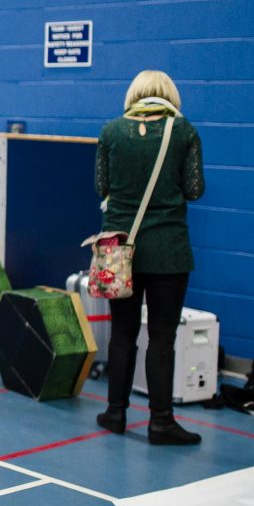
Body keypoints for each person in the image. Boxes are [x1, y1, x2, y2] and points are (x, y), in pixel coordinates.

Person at [94, 70, 205, 445]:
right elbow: (194, 189)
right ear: (170, 95)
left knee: (122, 335)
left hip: (119, 252)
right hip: (168, 252)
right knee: (161, 338)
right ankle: (160, 422)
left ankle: (114, 413)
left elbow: (101, 186)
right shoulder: (184, 131)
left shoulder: (110, 131)